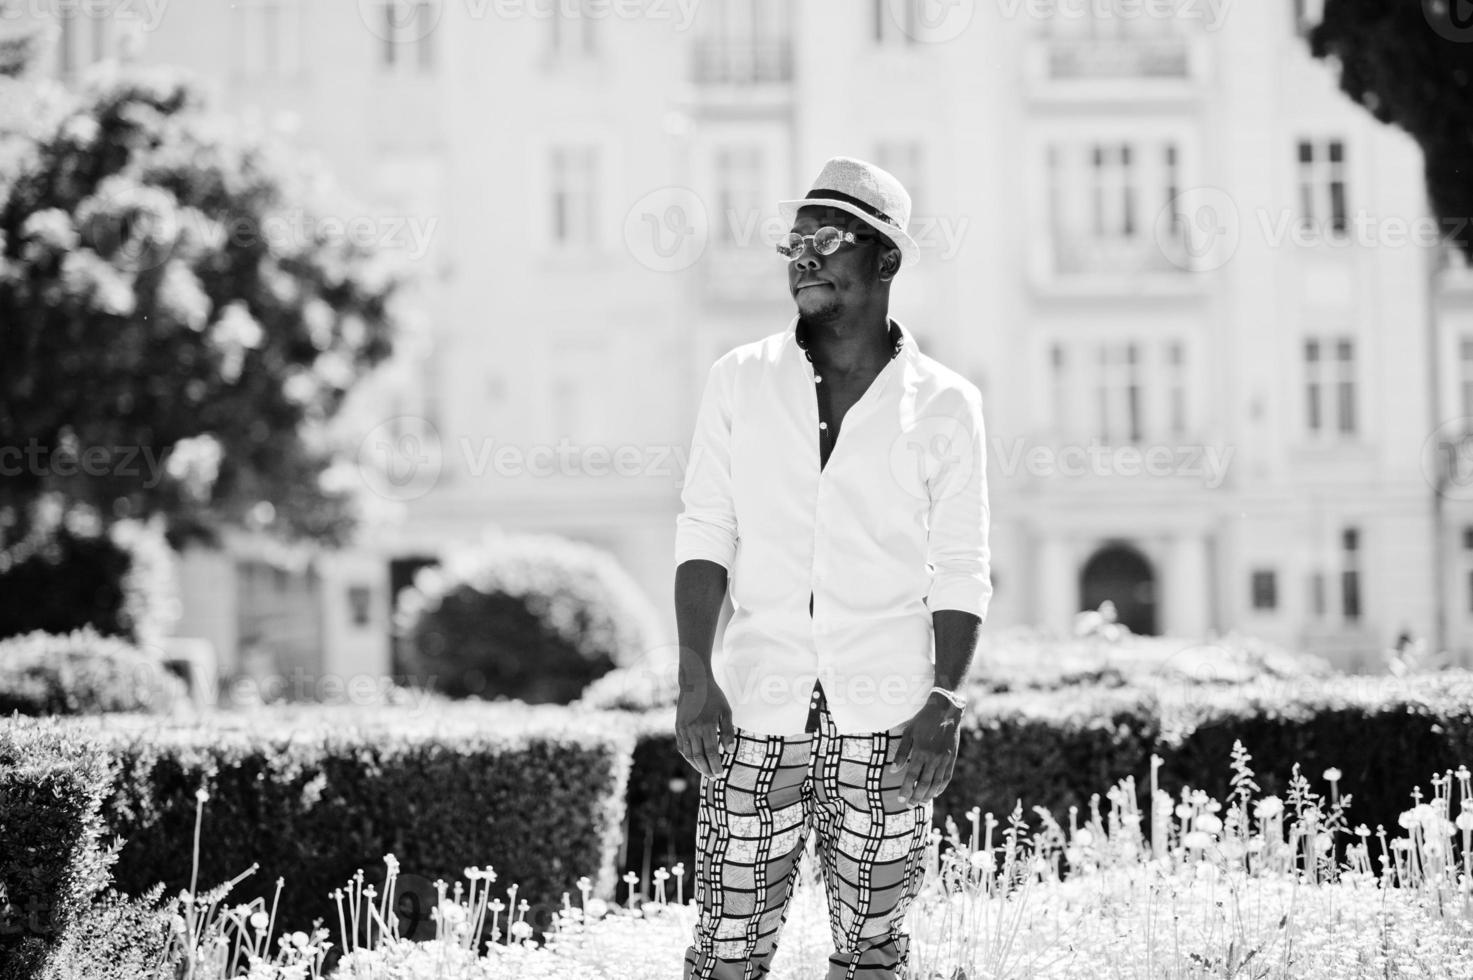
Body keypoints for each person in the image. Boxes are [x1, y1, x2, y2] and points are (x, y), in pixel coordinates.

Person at [673, 156, 994, 980]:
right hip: (751, 716)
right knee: (723, 954)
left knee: (872, 958)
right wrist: (693, 677)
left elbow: (960, 564)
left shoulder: (946, 403)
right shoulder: (738, 381)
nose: (802, 257)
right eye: (792, 243)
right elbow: (706, 528)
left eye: (825, 238)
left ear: (884, 258)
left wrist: (945, 698)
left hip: (888, 724)